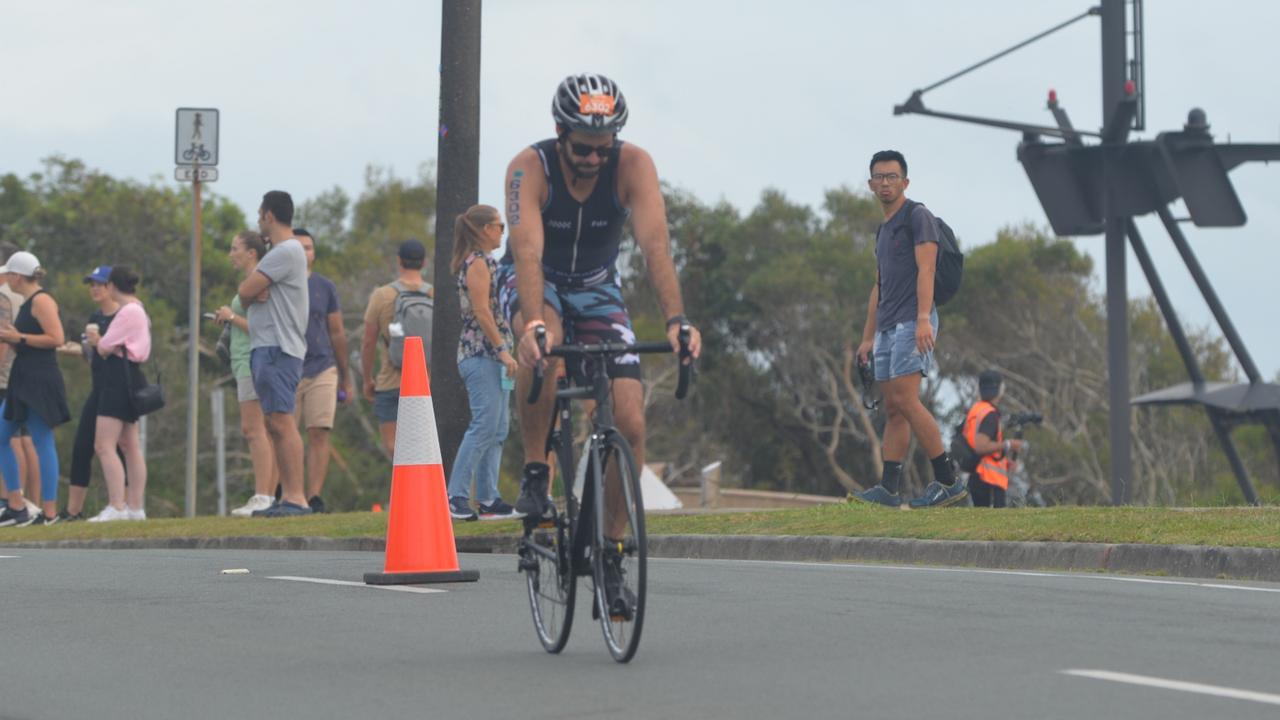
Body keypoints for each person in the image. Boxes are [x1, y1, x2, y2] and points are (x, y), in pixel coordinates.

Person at [500, 73, 702, 608]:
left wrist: (677, 319)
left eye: (603, 147)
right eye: (583, 148)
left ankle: (611, 553)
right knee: (549, 343)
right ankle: (538, 470)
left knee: (631, 421)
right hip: (533, 278)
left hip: (597, 288)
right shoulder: (529, 167)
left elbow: (655, 244)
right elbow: (524, 251)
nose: (593, 158)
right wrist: (530, 326)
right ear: (559, 131)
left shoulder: (633, 164)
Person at [852, 149, 965, 509]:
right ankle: (888, 489)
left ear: (905, 181)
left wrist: (920, 321)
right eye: (879, 177)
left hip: (912, 321)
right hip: (887, 326)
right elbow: (878, 285)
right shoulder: (883, 231)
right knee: (894, 408)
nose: (885, 183)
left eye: (892, 177)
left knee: (905, 399)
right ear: (871, 184)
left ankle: (947, 481)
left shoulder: (918, 217)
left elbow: (927, 269)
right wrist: (867, 336)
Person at [446, 205, 520, 521]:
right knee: (484, 425)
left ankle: (489, 498)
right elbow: (481, 312)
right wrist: (502, 349)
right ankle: (455, 496)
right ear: (485, 229)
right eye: (499, 226)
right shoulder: (477, 263)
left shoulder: (490, 263)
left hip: (496, 358)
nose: (502, 231)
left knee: (498, 428)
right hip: (481, 355)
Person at [239, 191, 310, 517]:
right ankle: (287, 498)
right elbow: (252, 292)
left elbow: (244, 291)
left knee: (282, 421)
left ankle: (296, 497)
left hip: (278, 347)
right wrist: (255, 291)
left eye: (259, 213)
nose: (257, 219)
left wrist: (253, 290)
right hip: (268, 346)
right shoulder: (281, 254)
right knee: (274, 422)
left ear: (269, 215)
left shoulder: (285, 250)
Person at [0, 251, 70, 527]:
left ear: (18, 276)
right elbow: (26, 341)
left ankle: (49, 512)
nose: (8, 280)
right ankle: (15, 504)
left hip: (40, 380)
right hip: (23, 379)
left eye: (10, 275)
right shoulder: (28, 302)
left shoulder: (42, 301)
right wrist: (12, 338)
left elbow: (57, 338)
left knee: (42, 441)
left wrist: (19, 337)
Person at [218, 231, 279, 516]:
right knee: (260, 430)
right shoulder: (253, 281)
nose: (231, 254)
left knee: (255, 430)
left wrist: (231, 317)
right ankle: (266, 495)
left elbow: (260, 326)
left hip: (251, 360)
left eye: (235, 248)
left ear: (251, 253)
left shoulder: (258, 282)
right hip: (244, 360)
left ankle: (263, 495)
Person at [292, 228, 351, 514]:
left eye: (308, 248)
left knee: (319, 431)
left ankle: (313, 496)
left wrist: (346, 376)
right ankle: (289, 494)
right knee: (285, 432)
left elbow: (337, 332)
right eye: (298, 247)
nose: (304, 253)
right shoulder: (279, 284)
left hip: (322, 366)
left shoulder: (324, 287)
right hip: (288, 368)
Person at [86, 266, 152, 522]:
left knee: (104, 444)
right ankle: (135, 506)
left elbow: (104, 348)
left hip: (117, 377)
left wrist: (96, 340)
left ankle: (118, 505)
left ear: (112, 286)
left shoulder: (128, 311)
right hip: (130, 375)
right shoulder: (139, 308)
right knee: (129, 444)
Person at [361, 239, 432, 456]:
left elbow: (368, 342)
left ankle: (401, 488)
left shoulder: (382, 295)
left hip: (391, 383)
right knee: (422, 448)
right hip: (424, 383)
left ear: (399, 260)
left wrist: (367, 379)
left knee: (393, 446)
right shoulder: (434, 294)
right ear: (424, 262)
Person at [64, 265, 121, 520]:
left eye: (99, 284)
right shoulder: (95, 318)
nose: (94, 289)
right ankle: (73, 511)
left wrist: (100, 344)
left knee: (121, 449)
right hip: (98, 389)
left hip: (119, 390)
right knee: (82, 447)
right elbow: (93, 357)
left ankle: (125, 506)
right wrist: (80, 349)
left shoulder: (124, 315)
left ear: (111, 287)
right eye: (92, 284)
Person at [0, 246, 41, 519]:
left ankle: (13, 498)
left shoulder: (4, 297)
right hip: (22, 373)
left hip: (6, 375)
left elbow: (3, 338)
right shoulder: (22, 298)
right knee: (25, 438)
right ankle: (29, 501)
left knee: (11, 438)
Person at [964, 370, 1024, 508]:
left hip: (977, 475)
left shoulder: (976, 410)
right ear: (1000, 389)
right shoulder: (990, 414)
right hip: (989, 480)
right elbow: (981, 446)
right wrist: (1009, 445)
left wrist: (1005, 462)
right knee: (994, 526)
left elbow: (976, 446)